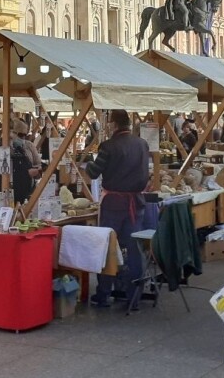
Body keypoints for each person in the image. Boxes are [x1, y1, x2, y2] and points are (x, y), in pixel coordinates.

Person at [86, 110, 149, 308]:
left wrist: (86, 163)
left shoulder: (108, 146)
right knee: (134, 250)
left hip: (113, 204)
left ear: (113, 124)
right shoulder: (142, 144)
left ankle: (104, 294)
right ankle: (134, 296)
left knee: (107, 248)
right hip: (136, 203)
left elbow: (93, 173)